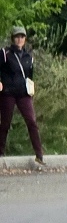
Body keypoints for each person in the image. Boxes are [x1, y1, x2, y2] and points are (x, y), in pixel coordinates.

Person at [0, 29, 45, 164]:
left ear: (25, 39)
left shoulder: (28, 57)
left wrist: (31, 88)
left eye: (22, 37)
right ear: (12, 38)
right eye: (17, 37)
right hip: (8, 93)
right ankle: (0, 152)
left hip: (24, 94)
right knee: (5, 124)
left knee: (31, 121)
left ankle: (39, 154)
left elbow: (30, 76)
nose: (19, 39)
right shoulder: (5, 53)